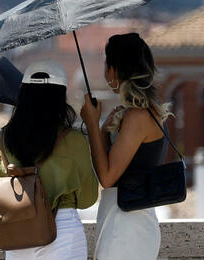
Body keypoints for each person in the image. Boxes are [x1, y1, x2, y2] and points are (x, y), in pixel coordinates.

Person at [0, 61, 98, 260]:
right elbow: (87, 198)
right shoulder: (74, 141)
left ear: (23, 94)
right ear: (60, 96)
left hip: (17, 232)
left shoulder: (0, 142)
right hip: (63, 230)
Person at [79, 32, 173, 260]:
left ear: (113, 70)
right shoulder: (142, 113)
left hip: (127, 226)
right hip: (127, 220)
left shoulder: (137, 117)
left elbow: (108, 178)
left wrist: (92, 123)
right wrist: (102, 129)